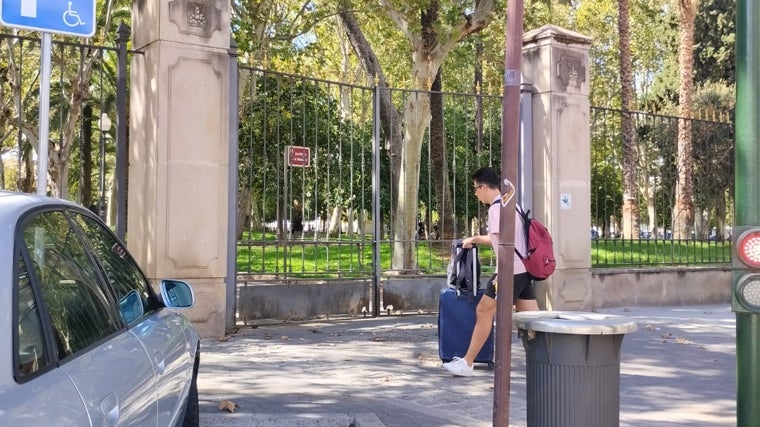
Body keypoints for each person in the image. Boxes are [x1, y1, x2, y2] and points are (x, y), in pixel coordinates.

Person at [443, 166, 539, 377]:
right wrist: (476, 239)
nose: (476, 193)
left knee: (484, 311)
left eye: (476, 189)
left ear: (485, 187)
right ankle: (545, 362)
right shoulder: (513, 205)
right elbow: (501, 238)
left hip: (508, 270)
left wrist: (500, 274)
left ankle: (467, 363)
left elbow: (502, 242)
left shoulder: (496, 209)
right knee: (533, 320)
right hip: (523, 268)